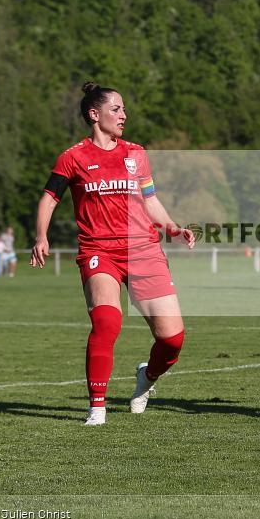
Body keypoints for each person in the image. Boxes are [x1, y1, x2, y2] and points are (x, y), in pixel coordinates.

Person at [30, 82, 195, 426]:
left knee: (172, 340)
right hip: (99, 250)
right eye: (116, 109)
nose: (124, 115)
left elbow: (150, 199)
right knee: (107, 322)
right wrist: (41, 236)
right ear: (95, 114)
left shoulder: (136, 154)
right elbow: (49, 198)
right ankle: (98, 408)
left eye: (123, 109)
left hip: (144, 251)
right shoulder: (73, 157)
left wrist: (172, 228)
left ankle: (146, 378)